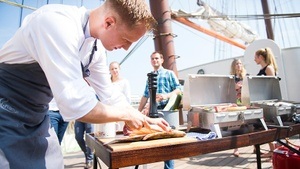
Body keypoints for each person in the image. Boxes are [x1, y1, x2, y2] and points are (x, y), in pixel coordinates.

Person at [0, 1, 170, 169]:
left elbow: (108, 93)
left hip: (37, 115)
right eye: (126, 39)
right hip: (5, 113)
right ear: (109, 22)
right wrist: (126, 115)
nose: (126, 48)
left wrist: (143, 119)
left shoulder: (95, 48)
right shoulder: (56, 23)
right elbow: (75, 104)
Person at [138, 51, 182, 169]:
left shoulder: (169, 73)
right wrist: (138, 112)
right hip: (154, 113)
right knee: (150, 139)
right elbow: (145, 95)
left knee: (168, 142)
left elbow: (179, 89)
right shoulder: (150, 76)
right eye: (152, 59)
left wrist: (166, 96)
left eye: (157, 58)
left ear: (162, 60)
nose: (154, 60)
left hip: (167, 111)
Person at [254, 47, 278, 159]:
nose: (254, 59)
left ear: (261, 57)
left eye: (256, 57)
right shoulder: (262, 70)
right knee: (264, 125)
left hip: (269, 103)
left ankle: (274, 152)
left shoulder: (269, 68)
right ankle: (272, 150)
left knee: (268, 125)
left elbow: (272, 86)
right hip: (262, 102)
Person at [230, 58, 247, 157]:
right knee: (235, 125)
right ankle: (235, 148)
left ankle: (254, 147)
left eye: (240, 63)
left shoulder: (246, 77)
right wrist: (235, 87)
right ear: (233, 66)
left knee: (250, 124)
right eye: (237, 64)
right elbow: (228, 91)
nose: (239, 65)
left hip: (245, 104)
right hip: (235, 104)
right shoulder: (231, 78)